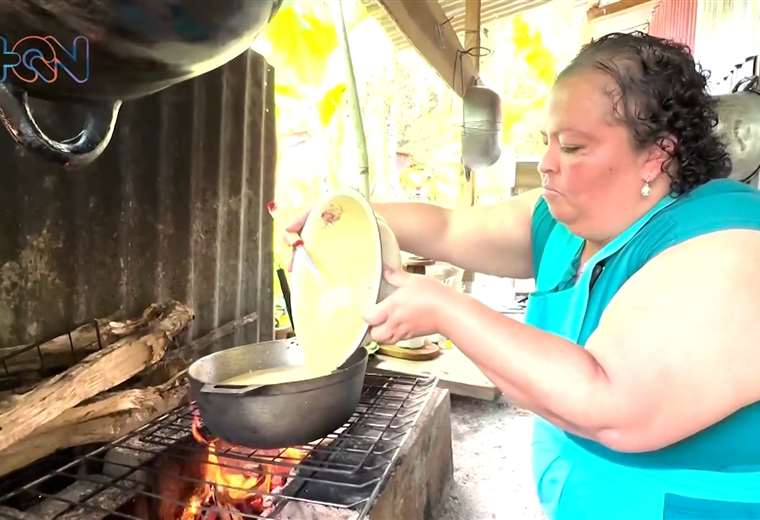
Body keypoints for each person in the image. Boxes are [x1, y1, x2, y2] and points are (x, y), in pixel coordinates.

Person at [286, 31, 760, 519]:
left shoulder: (728, 242)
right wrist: (342, 216)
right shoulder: (569, 221)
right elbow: (448, 227)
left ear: (657, 153)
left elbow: (614, 408)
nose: (548, 164)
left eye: (573, 147)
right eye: (547, 142)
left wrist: (446, 309)